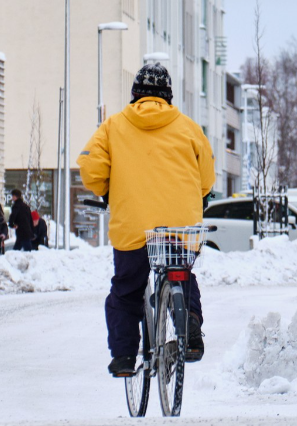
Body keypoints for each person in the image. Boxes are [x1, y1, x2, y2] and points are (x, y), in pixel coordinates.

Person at [79, 63, 215, 377]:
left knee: (126, 291)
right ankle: (189, 323)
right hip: (179, 228)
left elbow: (92, 169)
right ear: (168, 96)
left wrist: (106, 191)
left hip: (133, 228)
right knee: (182, 272)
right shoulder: (189, 127)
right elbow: (207, 176)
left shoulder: (113, 126)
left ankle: (125, 357)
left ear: (135, 95)